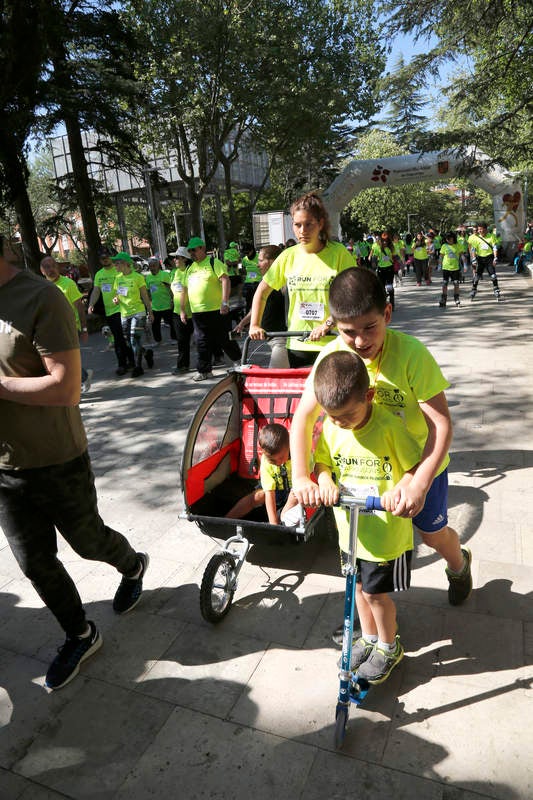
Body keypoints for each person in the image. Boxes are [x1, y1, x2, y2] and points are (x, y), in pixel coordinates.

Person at [0, 234, 149, 690]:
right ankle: (80, 633)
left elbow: (66, 388)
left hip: (56, 458)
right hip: (5, 467)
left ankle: (132, 564)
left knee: (87, 542)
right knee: (33, 561)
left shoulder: (40, 297)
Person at [290, 267, 472, 619]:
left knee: (431, 535)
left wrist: (418, 483)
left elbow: (441, 425)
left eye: (370, 327)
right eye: (348, 332)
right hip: (362, 468)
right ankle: (372, 627)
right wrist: (302, 477)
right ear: (334, 325)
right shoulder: (331, 356)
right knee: (361, 548)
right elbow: (304, 417)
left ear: (387, 313)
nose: (360, 341)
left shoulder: (411, 355)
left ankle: (459, 563)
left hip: (419, 464)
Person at [313, 350, 421, 683]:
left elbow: (416, 469)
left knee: (376, 594)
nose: (338, 423)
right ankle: (370, 638)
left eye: (346, 415)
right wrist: (325, 480)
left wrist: (400, 489)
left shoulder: (389, 426)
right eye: (332, 416)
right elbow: (322, 464)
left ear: (369, 396)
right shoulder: (332, 429)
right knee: (356, 587)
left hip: (385, 535)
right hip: (351, 531)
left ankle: (390, 646)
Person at [249, 192, 356, 367]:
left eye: (309, 224)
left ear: (320, 224)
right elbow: (261, 292)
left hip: (333, 342)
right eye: (297, 225)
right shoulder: (288, 256)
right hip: (298, 343)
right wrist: (254, 325)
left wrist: (327, 325)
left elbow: (352, 298)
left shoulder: (338, 254)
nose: (302, 231)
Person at [179, 237, 241, 381]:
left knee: (224, 338)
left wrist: (224, 302)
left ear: (201, 248)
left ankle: (239, 361)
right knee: (201, 341)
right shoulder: (189, 268)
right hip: (197, 312)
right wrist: (183, 309)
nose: (191, 253)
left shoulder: (214, 263)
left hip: (217, 310)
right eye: (189, 251)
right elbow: (184, 290)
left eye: (193, 250)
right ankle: (204, 370)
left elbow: (225, 280)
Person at [225, 423, 301, 525]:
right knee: (257, 496)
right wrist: (273, 524)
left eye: (281, 458)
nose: (278, 463)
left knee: (296, 496)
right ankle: (227, 520)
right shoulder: (266, 461)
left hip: (294, 490)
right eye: (272, 460)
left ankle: (283, 516)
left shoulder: (297, 454)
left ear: (289, 446)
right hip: (276, 491)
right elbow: (269, 494)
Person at [40, 256, 92, 393]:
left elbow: (80, 307)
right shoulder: (42, 287)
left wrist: (84, 328)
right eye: (47, 267)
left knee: (68, 360)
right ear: (42, 271)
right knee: (60, 360)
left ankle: (77, 382)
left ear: (57, 268)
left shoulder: (68, 284)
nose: (50, 269)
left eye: (53, 266)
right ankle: (83, 376)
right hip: (52, 330)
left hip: (70, 327)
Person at [233, 245, 289, 368]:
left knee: (274, 379)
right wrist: (243, 323)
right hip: (272, 338)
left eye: (261, 260)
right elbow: (257, 306)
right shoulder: (266, 282)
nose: (258, 265)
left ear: (273, 262)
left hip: (282, 339)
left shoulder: (285, 282)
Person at [88, 245, 132, 375]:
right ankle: (126, 362)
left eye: (107, 257)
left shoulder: (119, 269)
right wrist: (91, 304)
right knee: (118, 338)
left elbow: (129, 283)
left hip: (124, 309)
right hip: (110, 311)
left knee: (124, 338)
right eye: (102, 258)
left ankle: (129, 362)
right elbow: (96, 291)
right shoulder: (99, 275)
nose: (105, 259)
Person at [111, 252, 154, 378]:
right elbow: (118, 294)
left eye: (117, 263)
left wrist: (150, 312)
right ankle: (146, 354)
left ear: (125, 263)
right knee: (128, 342)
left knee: (134, 340)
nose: (115, 265)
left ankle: (138, 367)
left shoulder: (137, 277)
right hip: (124, 314)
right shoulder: (118, 278)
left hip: (138, 312)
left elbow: (145, 296)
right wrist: (116, 299)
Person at [169, 247, 194, 374]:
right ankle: (183, 365)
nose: (174, 259)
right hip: (177, 312)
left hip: (193, 312)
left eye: (177, 257)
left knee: (203, 339)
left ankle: (217, 356)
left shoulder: (191, 271)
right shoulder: (175, 272)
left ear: (185, 258)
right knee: (182, 341)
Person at [145, 257, 177, 344]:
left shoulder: (165, 275)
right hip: (155, 306)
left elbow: (171, 288)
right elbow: (147, 291)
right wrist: (149, 303)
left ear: (158, 266)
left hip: (167, 304)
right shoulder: (148, 277)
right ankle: (157, 340)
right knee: (155, 325)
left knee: (172, 323)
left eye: (154, 266)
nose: (152, 268)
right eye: (150, 266)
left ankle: (174, 339)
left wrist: (172, 300)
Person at [468, 222, 502, 301]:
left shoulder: (491, 236)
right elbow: (473, 249)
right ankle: (473, 289)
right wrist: (473, 259)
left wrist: (495, 258)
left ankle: (496, 289)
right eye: (478, 229)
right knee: (477, 276)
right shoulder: (476, 238)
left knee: (493, 276)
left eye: (481, 229)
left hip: (489, 258)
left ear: (485, 229)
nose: (479, 231)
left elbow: (494, 248)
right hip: (480, 259)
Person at [370, 231, 396, 309]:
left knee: (389, 286)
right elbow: (374, 258)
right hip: (381, 270)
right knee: (381, 287)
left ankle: (392, 303)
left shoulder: (391, 247)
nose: (385, 242)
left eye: (386, 240)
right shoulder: (377, 248)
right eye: (383, 240)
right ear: (380, 240)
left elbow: (395, 256)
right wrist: (373, 266)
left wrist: (401, 263)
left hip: (389, 269)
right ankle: (383, 303)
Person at [438, 232, 462, 307]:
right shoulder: (444, 246)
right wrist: (439, 265)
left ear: (453, 238)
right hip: (446, 267)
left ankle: (456, 298)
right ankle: (443, 299)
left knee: (456, 283)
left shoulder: (457, 245)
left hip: (455, 268)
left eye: (450, 238)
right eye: (447, 239)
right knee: (445, 283)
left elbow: (461, 256)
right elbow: (441, 256)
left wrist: (464, 265)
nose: (449, 240)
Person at [241, 244, 261, 312]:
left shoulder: (259, 257)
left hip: (258, 283)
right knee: (249, 303)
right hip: (248, 283)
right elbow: (241, 268)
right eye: (245, 253)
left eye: (247, 253)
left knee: (257, 302)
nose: (246, 255)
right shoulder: (244, 259)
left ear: (252, 250)